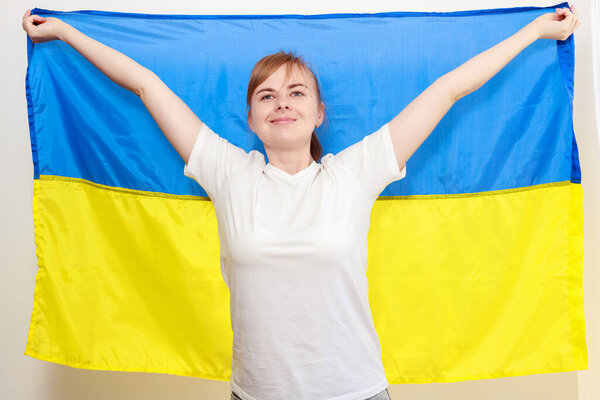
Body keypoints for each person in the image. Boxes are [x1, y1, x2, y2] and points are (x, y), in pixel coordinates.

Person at [22, 5, 580, 400]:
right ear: (251, 119)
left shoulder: (355, 172)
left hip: (356, 392)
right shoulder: (227, 171)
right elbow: (146, 84)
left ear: (319, 115)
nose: (281, 103)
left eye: (296, 93)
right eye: (266, 94)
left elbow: (448, 90)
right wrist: (67, 34)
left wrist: (533, 31)